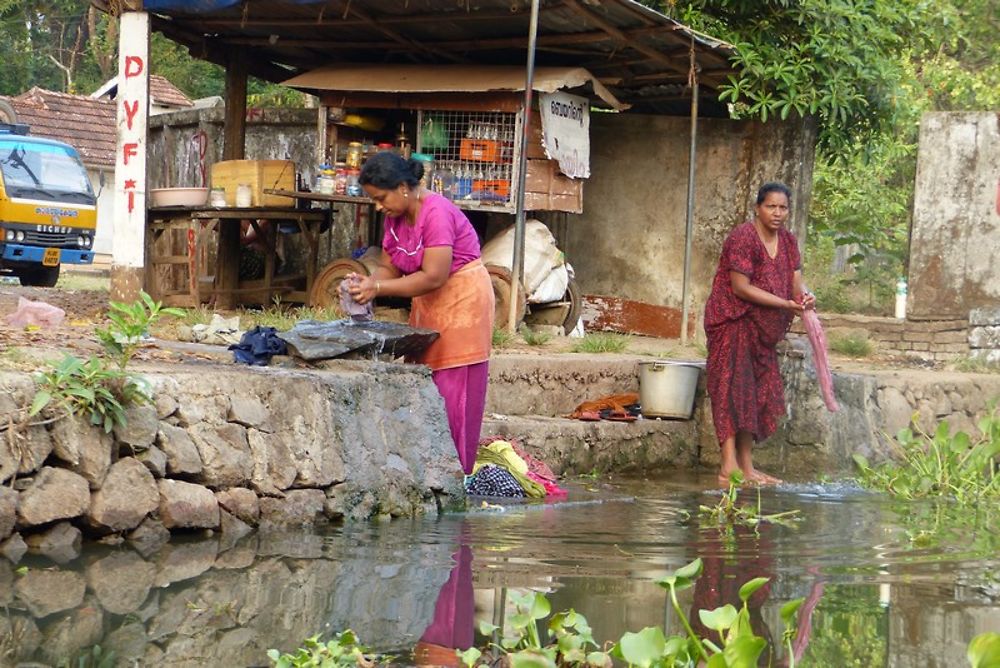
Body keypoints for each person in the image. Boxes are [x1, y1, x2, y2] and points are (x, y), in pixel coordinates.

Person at [347, 151, 495, 475]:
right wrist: (366, 283)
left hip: (463, 304)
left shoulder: (436, 212)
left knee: (454, 394)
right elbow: (388, 267)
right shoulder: (394, 218)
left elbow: (434, 276)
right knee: (429, 388)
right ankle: (429, 474)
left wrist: (379, 290)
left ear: (403, 187)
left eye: (380, 198)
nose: (377, 206)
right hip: (429, 305)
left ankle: (456, 474)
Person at [703, 182, 816, 486]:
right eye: (771, 206)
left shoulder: (789, 242)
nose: (777, 213)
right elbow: (740, 287)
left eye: (783, 207)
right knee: (729, 389)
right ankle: (728, 466)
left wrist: (804, 298)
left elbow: (796, 283)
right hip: (732, 321)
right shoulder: (743, 238)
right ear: (757, 207)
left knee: (753, 393)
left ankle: (747, 467)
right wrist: (785, 304)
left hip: (763, 329)